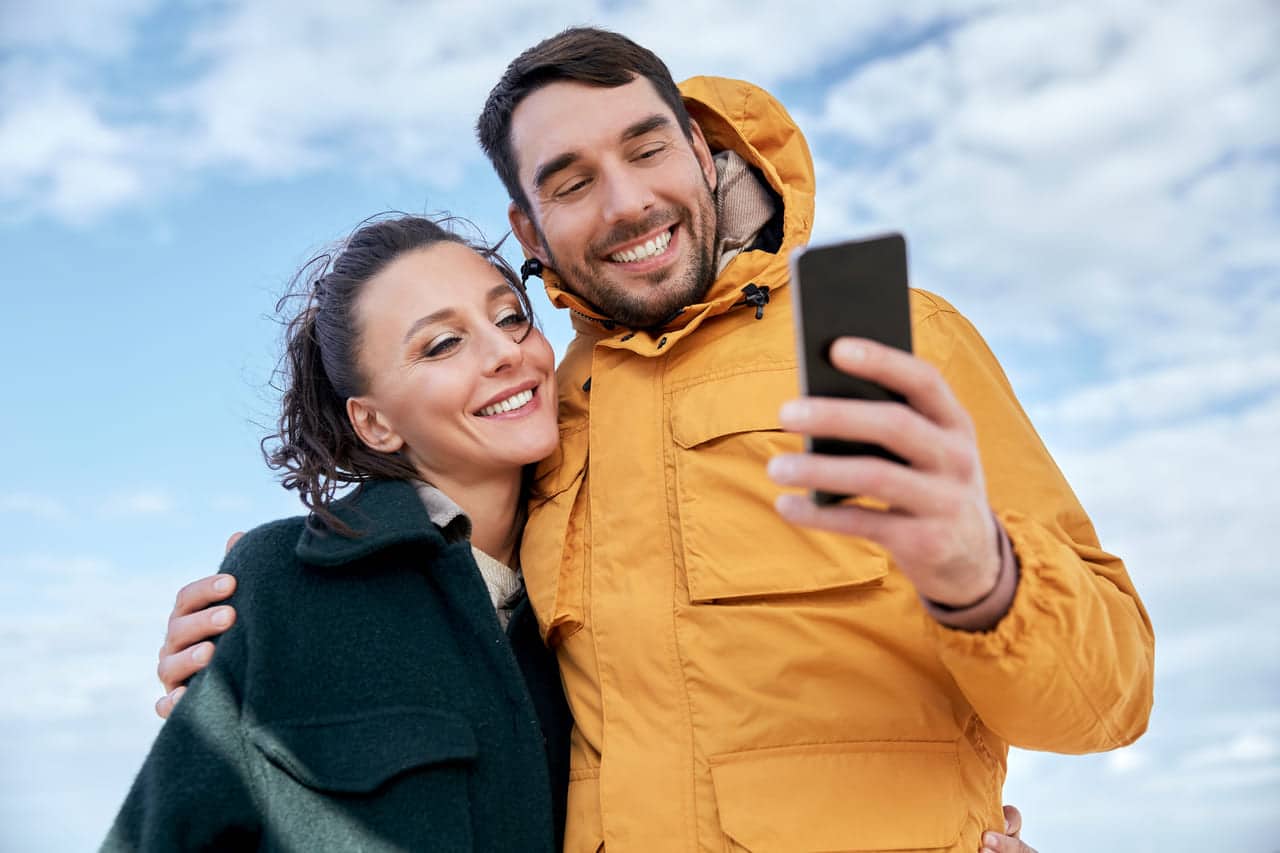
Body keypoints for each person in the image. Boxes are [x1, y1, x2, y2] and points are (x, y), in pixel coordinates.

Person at [160, 27, 1150, 853]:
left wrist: (981, 578)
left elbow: (1106, 703)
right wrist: (258, 665)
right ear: (530, 226)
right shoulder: (548, 410)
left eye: (645, 148)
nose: (626, 201)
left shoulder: (892, 341)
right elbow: (451, 644)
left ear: (697, 148)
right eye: (571, 179)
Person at [105, 216, 572, 850]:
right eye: (442, 345)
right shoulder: (279, 583)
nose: (504, 352)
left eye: (511, 317)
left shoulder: (607, 557)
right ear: (374, 423)